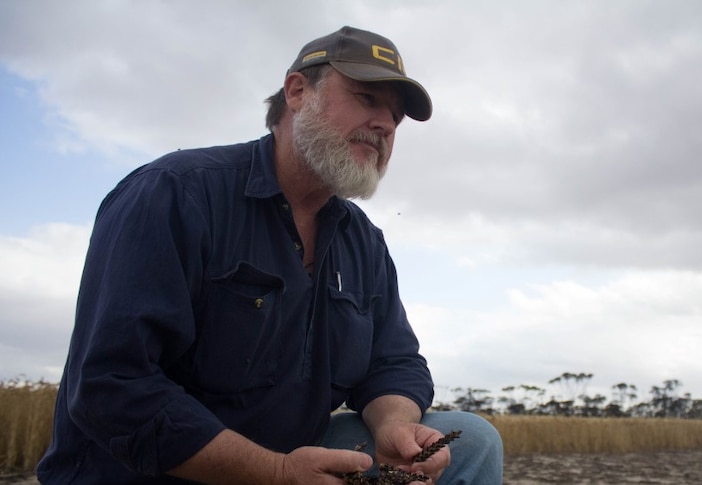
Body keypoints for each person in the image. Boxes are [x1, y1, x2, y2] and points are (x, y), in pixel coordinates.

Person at [37, 26, 503, 484]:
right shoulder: (175, 194)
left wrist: (394, 425)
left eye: (396, 117)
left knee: (473, 441)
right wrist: (275, 473)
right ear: (297, 91)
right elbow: (113, 386)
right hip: (158, 470)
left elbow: (393, 362)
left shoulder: (363, 241)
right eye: (367, 98)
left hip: (289, 460)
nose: (385, 124)